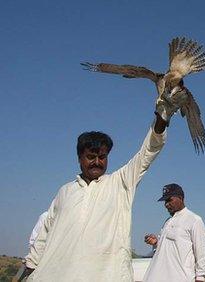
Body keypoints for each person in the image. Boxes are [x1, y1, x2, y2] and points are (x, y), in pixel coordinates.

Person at [24, 90, 187, 282]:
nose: (97, 162)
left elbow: (149, 151)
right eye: (90, 157)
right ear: (79, 158)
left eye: (102, 157)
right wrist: (31, 266)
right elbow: (45, 232)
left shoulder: (121, 183)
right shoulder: (65, 191)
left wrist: (162, 116)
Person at [143, 183, 205, 282]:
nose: (166, 204)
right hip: (157, 276)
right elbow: (162, 249)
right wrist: (156, 243)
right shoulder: (168, 221)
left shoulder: (194, 220)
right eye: (165, 201)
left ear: (181, 198)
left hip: (180, 277)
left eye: (169, 200)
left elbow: (201, 252)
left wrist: (200, 277)